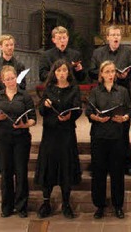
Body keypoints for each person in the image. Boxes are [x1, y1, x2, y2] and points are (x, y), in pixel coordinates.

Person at [35, 60, 82, 219]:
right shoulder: (49, 88)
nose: (62, 73)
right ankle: (46, 202)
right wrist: (45, 105)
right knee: (49, 166)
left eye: (64, 70)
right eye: (59, 71)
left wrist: (70, 115)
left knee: (66, 166)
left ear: (68, 72)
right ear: (54, 73)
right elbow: (41, 111)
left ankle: (66, 203)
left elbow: (78, 109)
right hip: (50, 133)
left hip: (66, 132)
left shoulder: (74, 88)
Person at [86, 61, 131, 219]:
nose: (111, 74)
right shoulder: (95, 91)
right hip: (99, 136)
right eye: (107, 71)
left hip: (117, 136)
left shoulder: (123, 91)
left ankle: (118, 205)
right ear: (101, 74)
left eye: (113, 71)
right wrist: (97, 118)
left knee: (117, 172)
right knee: (99, 172)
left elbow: (129, 110)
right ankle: (99, 205)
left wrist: (124, 117)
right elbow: (89, 112)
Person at [89, 26, 131, 177]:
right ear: (107, 37)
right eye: (112, 35)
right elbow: (91, 71)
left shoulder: (129, 51)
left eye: (118, 34)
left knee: (122, 130)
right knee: (101, 130)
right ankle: (97, 164)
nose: (116, 37)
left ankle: (126, 165)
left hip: (121, 93)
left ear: (121, 37)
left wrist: (125, 76)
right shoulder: (98, 52)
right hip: (102, 95)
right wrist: (105, 73)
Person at [0, 65, 36, 218]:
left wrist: (24, 124)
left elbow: (33, 118)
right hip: (2, 138)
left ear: (16, 78)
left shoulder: (24, 96)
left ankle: (21, 206)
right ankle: (7, 207)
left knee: (21, 172)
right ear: (2, 81)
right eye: (7, 79)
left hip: (21, 137)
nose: (10, 81)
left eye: (13, 78)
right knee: (6, 173)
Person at [0, 34, 27, 176]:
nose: (10, 47)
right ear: (1, 46)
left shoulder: (19, 65)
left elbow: (24, 86)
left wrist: (15, 84)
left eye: (12, 45)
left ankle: (13, 164)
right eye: (7, 45)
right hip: (0, 102)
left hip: (15, 101)